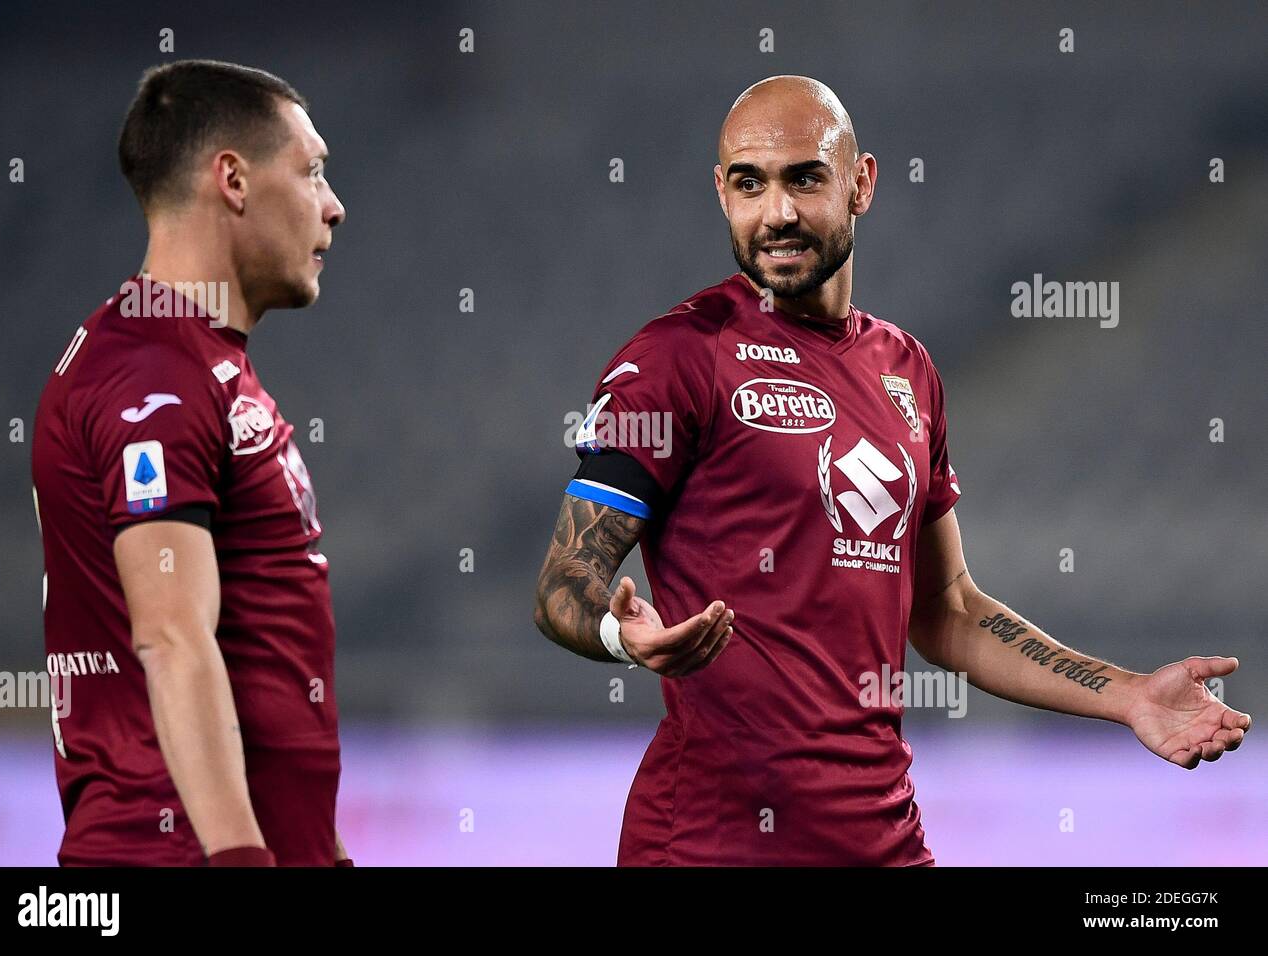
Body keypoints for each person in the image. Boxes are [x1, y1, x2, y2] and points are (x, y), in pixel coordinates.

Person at [533, 75, 1252, 865]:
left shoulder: (905, 370)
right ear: (721, 192)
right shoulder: (679, 357)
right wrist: (618, 633)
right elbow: (566, 575)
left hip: (883, 844)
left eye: (804, 177)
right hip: (710, 847)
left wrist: (1127, 694)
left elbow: (947, 609)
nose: (777, 213)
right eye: (749, 183)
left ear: (862, 182)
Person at [32, 59, 349, 866]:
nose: (333, 206)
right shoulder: (152, 376)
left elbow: (260, 655)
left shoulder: (192, 364)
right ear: (233, 180)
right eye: (311, 172)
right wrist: (240, 857)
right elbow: (173, 637)